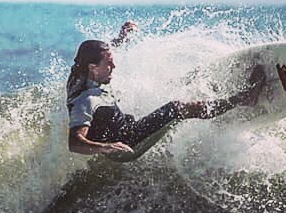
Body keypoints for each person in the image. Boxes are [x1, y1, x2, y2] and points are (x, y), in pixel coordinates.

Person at [66, 21, 265, 161]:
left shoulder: (80, 70)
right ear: (93, 68)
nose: (114, 67)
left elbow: (101, 54)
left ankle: (212, 107)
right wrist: (107, 147)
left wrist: (121, 37)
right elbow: (74, 143)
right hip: (127, 144)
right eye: (109, 64)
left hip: (122, 126)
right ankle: (243, 98)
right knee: (176, 108)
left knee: (174, 85)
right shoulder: (86, 101)